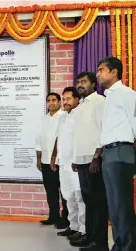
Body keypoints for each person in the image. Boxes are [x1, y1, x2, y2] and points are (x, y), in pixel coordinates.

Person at [97, 57, 136, 251]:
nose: (98, 74)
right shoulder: (109, 96)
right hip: (109, 153)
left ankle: (128, 246)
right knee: (114, 205)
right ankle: (120, 245)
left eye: (102, 70)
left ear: (114, 72)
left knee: (122, 204)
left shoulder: (127, 93)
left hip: (121, 151)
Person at [70, 72, 108, 250]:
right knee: (89, 201)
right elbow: (80, 135)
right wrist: (76, 158)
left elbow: (104, 129)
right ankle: (90, 237)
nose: (80, 85)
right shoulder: (81, 105)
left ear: (93, 84)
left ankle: (100, 243)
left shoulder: (99, 101)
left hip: (94, 160)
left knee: (98, 202)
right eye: (78, 82)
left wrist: (96, 157)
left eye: (84, 82)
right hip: (82, 160)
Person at [50, 87, 86, 241]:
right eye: (64, 99)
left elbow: (84, 138)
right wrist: (53, 156)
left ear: (77, 99)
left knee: (79, 197)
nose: (65, 102)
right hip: (63, 164)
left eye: (68, 99)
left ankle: (84, 230)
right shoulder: (63, 116)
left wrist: (78, 159)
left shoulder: (81, 115)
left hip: (75, 164)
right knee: (68, 196)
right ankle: (73, 227)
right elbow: (58, 138)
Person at [35, 92, 69, 229]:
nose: (51, 103)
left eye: (54, 100)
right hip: (45, 160)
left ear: (60, 101)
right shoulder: (43, 119)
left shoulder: (65, 117)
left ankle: (66, 219)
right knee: (51, 190)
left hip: (60, 161)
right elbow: (39, 140)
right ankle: (53, 216)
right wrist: (38, 159)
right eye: (48, 100)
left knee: (65, 192)